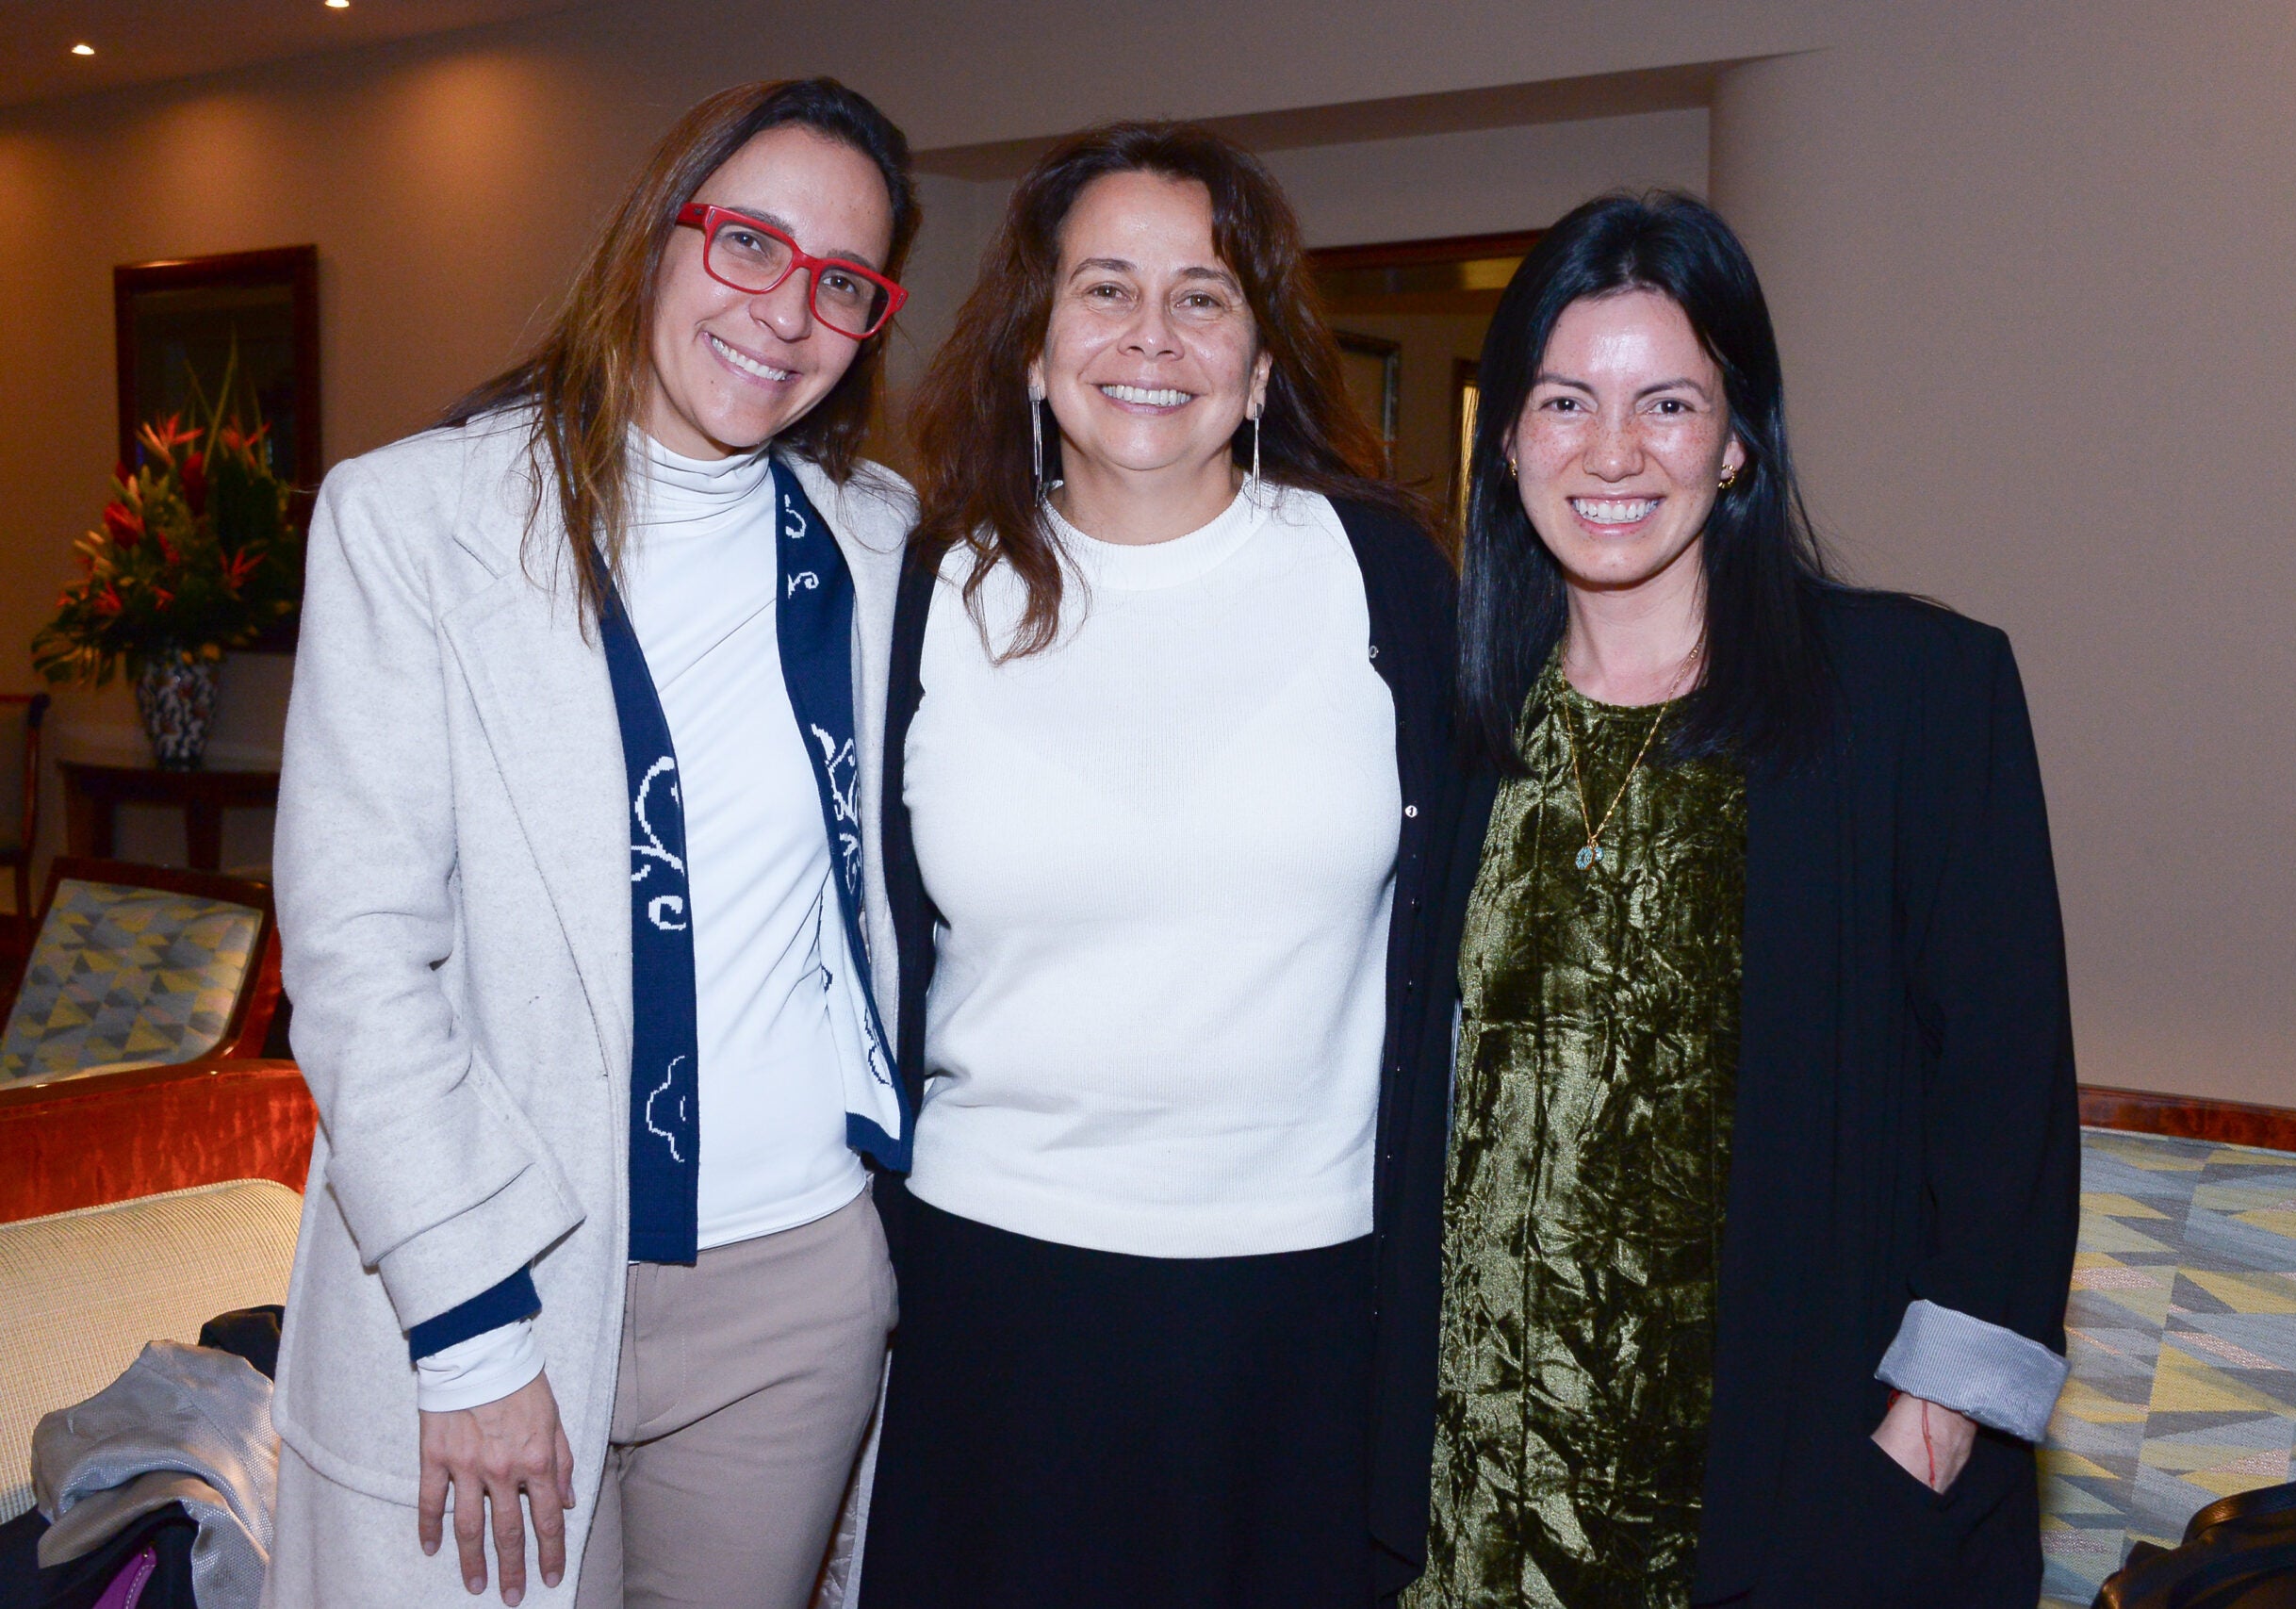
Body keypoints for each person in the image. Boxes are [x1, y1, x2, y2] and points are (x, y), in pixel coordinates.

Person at [264, 78, 921, 1609]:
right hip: (507, 1268)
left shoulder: (881, 542)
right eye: (750, 243)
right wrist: (473, 1329)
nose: (787, 311)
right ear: (657, 234)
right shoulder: (412, 523)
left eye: (843, 281)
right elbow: (359, 955)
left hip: (794, 1297)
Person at [1413, 190, 2079, 1609]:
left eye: (1665, 403)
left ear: (1735, 441)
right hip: (1483, 1500)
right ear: (1513, 438)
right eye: (1563, 401)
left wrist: (1935, 1426)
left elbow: (2006, 1091)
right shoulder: (1455, 738)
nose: (1611, 452)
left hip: (1791, 1502)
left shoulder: (1912, 699)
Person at [855, 122, 1476, 1609]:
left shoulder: (1379, 572)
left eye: (1202, 295)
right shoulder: (930, 587)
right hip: (993, 1284)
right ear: (1029, 346)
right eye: (1104, 289)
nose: (1152, 335)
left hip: (1311, 1294)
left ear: (1261, 365)